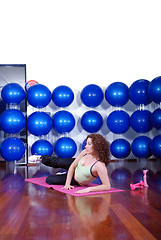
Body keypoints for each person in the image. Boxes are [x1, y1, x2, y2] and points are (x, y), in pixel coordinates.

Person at [40, 133, 111, 194]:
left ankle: (64, 175)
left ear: (97, 146)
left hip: (76, 180)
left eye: (89, 144)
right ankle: (39, 158)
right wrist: (67, 184)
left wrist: (89, 189)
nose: (86, 146)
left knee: (49, 180)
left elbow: (107, 186)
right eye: (86, 143)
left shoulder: (99, 165)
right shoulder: (85, 152)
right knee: (57, 161)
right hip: (74, 165)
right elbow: (73, 165)